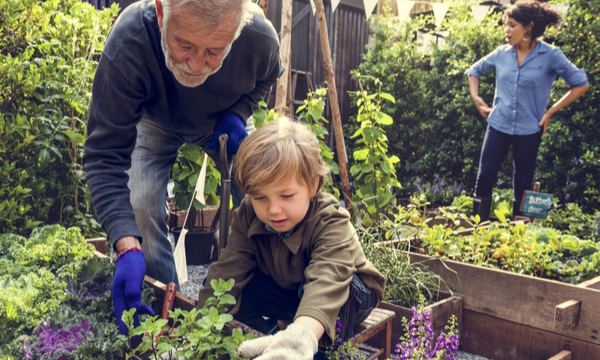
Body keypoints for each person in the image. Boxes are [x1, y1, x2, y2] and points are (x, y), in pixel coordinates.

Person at [82, 0, 282, 336]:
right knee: (141, 206)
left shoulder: (258, 37)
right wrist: (126, 245)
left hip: (221, 120)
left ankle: (266, 301)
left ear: (235, 33)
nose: (195, 64)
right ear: (162, 13)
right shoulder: (131, 39)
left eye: (215, 51)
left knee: (269, 190)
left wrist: (239, 112)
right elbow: (104, 154)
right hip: (155, 121)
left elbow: (267, 77)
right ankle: (168, 315)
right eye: (183, 44)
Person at [197, 118, 385, 359]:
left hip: (346, 292)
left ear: (314, 185)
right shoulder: (248, 213)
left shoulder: (331, 219)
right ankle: (272, 342)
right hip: (292, 288)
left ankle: (307, 349)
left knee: (340, 292)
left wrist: (301, 336)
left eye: (286, 195)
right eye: (260, 198)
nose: (274, 209)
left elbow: (327, 279)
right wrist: (197, 333)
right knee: (227, 289)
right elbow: (228, 269)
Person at [465, 0, 589, 220]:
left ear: (528, 27)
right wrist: (476, 97)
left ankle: (519, 239)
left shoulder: (550, 55)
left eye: (512, 25)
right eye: (506, 24)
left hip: (530, 129)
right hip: (498, 124)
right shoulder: (501, 53)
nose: (507, 30)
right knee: (484, 177)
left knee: (523, 184)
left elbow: (581, 83)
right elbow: (474, 70)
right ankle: (476, 233)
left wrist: (550, 112)